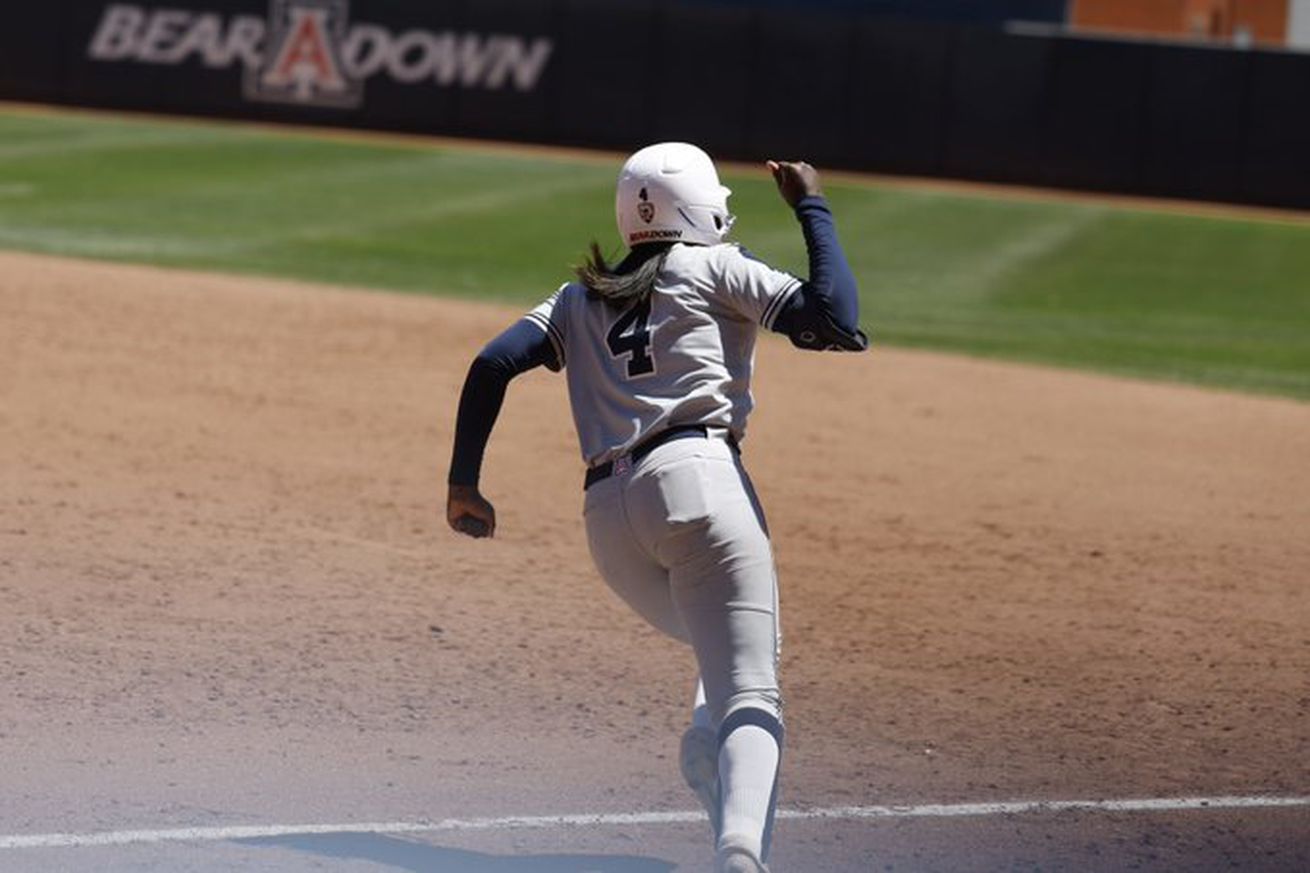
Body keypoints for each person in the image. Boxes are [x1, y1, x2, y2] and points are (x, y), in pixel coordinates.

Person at [446, 142, 867, 873]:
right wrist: (813, 206)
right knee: (752, 689)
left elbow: (492, 363)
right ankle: (739, 849)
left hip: (608, 520)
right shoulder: (716, 265)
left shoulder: (578, 296)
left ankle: (708, 748)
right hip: (700, 483)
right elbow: (835, 317)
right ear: (700, 208)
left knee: (734, 647)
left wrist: (463, 482)